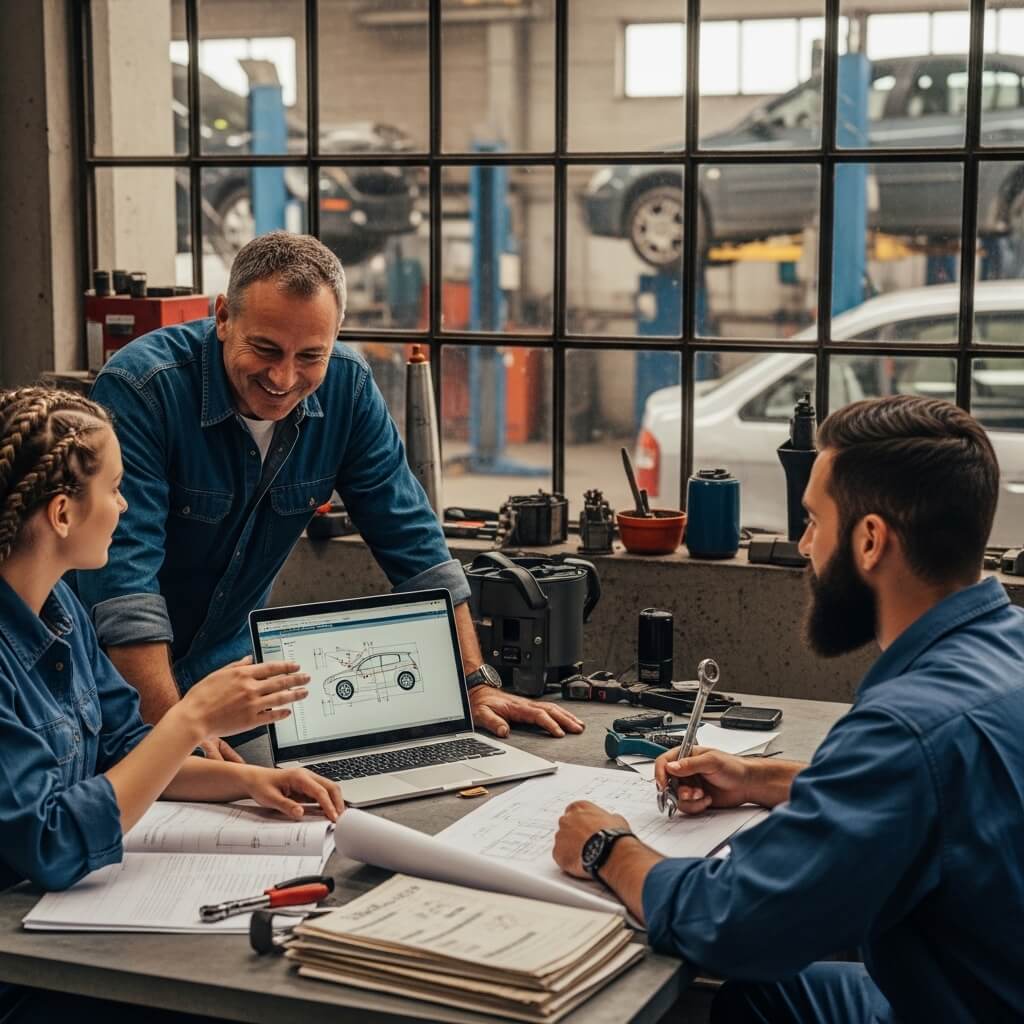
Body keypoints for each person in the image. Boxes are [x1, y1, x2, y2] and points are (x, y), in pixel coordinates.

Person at [552, 395, 1024, 1023]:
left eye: (813, 521)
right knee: (767, 999)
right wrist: (760, 779)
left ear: (871, 540)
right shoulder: (1007, 646)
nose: (804, 545)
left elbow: (734, 923)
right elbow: (948, 793)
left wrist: (607, 846)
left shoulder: (906, 727)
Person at [77, 232, 582, 760]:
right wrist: (173, 734)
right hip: (115, 692)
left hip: (234, 686)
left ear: (335, 337)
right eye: (265, 349)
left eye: (310, 356)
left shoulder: (349, 387)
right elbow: (124, 586)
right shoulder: (142, 388)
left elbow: (416, 546)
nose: (283, 376)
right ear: (224, 316)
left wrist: (474, 683)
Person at [0, 388, 342, 897]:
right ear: (63, 514)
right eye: (114, 487)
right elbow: (50, 845)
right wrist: (191, 719)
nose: (124, 504)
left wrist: (246, 784)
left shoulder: (62, 610)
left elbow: (124, 749)